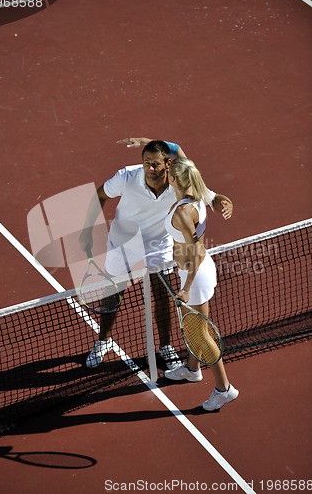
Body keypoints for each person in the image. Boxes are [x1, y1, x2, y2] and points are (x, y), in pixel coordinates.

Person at [79, 138, 186, 370]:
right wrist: (88, 230)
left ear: (168, 164)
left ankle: (166, 346)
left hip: (158, 243)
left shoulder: (179, 181)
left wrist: (218, 200)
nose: (150, 169)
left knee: (163, 293)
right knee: (113, 291)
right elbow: (100, 195)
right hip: (123, 242)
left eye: (155, 164)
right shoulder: (126, 177)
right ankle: (103, 341)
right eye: (146, 163)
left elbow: (189, 165)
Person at [163, 156, 239, 411]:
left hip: (194, 275)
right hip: (197, 270)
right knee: (195, 327)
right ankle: (192, 369)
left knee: (200, 333)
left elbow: (194, 251)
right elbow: (179, 153)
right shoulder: (197, 192)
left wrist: (185, 288)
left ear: (173, 179)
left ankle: (224, 389)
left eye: (167, 173)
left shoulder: (184, 212)